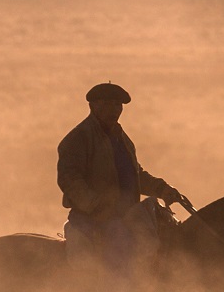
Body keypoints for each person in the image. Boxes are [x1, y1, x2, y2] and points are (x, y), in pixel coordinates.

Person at [58, 83, 191, 276]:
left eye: (118, 105)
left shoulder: (120, 137)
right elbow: (69, 179)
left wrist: (162, 189)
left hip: (124, 215)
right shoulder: (78, 139)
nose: (115, 110)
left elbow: (136, 175)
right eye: (108, 104)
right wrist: (95, 204)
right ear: (93, 106)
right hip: (94, 218)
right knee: (125, 248)